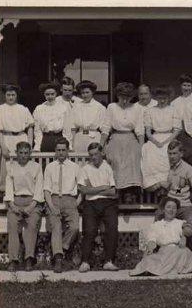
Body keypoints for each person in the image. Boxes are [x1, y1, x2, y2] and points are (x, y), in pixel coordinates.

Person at [77, 142, 120, 272]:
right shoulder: (85, 169)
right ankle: (85, 262)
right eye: (91, 155)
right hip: (90, 203)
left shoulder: (108, 168)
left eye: (96, 154)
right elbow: (83, 190)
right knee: (89, 230)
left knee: (111, 229)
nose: (94, 157)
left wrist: (92, 189)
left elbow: (112, 191)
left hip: (108, 203)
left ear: (101, 153)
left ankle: (109, 261)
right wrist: (102, 187)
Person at [100, 82, 144, 203]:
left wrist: (141, 147)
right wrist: (101, 145)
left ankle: (129, 193)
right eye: (122, 97)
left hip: (130, 138)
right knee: (116, 161)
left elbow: (140, 129)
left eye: (128, 98)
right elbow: (105, 128)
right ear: (117, 95)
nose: (125, 100)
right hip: (116, 138)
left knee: (133, 159)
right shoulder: (112, 107)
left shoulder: (137, 108)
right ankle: (116, 192)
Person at [130, 197, 192, 276]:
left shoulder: (180, 223)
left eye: (174, 208)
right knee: (149, 259)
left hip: (177, 249)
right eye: (168, 207)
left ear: (176, 211)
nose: (171, 210)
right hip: (164, 251)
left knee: (183, 253)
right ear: (163, 210)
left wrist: (183, 237)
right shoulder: (157, 225)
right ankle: (161, 269)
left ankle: (161, 269)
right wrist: (150, 247)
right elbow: (152, 238)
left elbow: (186, 231)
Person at [4, 141, 44, 272]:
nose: (23, 156)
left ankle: (28, 258)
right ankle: (13, 260)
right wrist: (12, 205)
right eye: (20, 153)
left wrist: (31, 207)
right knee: (13, 225)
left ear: (30, 154)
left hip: (32, 203)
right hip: (15, 202)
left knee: (31, 225)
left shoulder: (36, 167)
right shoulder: (11, 166)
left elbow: (39, 190)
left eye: (26, 153)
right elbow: (9, 189)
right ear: (16, 153)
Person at [43, 137, 80, 273]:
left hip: (70, 200)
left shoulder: (75, 167)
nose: (61, 153)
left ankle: (62, 247)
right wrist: (52, 207)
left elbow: (81, 188)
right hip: (53, 200)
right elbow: (46, 190)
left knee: (75, 227)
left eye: (63, 150)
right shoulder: (49, 167)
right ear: (55, 151)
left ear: (68, 151)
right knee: (56, 226)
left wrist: (76, 202)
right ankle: (58, 258)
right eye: (58, 150)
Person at [141, 87, 181, 192]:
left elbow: (176, 130)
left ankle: (169, 185)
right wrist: (156, 142)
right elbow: (148, 132)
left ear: (168, 98)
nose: (162, 101)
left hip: (170, 137)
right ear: (156, 98)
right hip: (155, 138)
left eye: (165, 98)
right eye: (160, 98)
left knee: (167, 153)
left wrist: (164, 142)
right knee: (148, 150)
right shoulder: (150, 111)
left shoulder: (173, 110)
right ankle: (155, 185)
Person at [0, 84, 34, 194]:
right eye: (8, 95)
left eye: (13, 95)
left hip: (21, 138)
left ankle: (21, 191)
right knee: (6, 166)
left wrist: (30, 144)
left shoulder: (23, 109)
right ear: (5, 96)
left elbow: (30, 127)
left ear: (16, 95)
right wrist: (3, 146)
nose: (10, 97)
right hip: (6, 138)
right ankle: (4, 191)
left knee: (22, 165)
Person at [163, 140, 192, 221]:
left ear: (181, 154)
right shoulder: (165, 166)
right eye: (170, 153)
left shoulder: (188, 169)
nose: (172, 156)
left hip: (184, 205)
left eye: (174, 153)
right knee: (158, 222)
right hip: (170, 203)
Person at [65, 80, 106, 153]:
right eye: (83, 93)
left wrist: (102, 145)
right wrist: (72, 143)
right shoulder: (76, 106)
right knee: (79, 161)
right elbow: (72, 126)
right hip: (79, 138)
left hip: (94, 138)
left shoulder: (99, 107)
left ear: (92, 92)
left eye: (87, 92)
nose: (85, 95)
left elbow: (104, 128)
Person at [33, 82, 71, 152]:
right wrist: (37, 146)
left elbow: (67, 129)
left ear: (56, 94)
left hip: (59, 139)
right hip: (45, 139)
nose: (50, 96)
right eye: (47, 94)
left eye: (52, 94)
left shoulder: (63, 108)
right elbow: (37, 130)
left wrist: (69, 145)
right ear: (44, 94)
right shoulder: (39, 109)